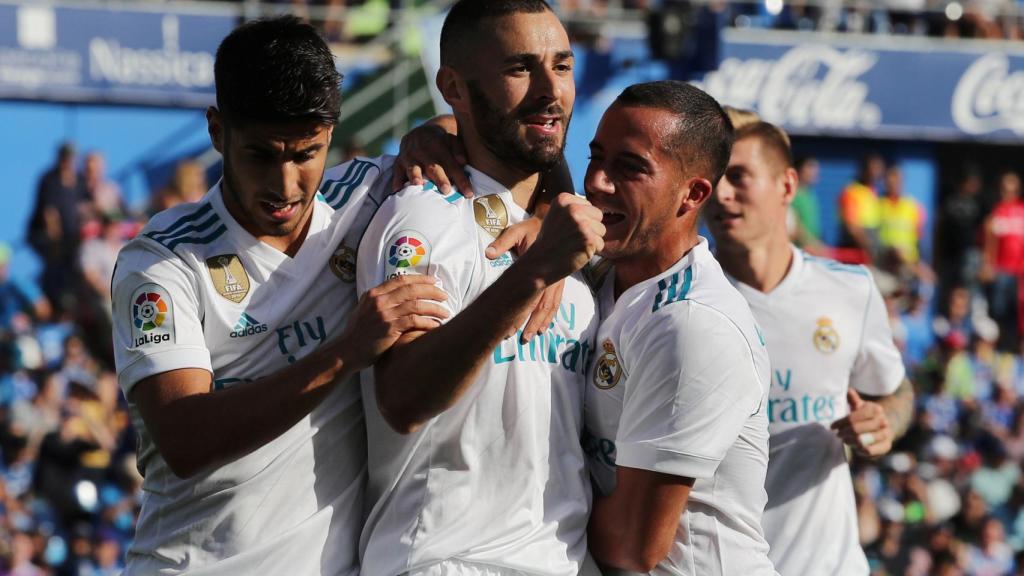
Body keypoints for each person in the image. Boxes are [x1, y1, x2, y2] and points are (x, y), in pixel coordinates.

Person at [110, 17, 452, 575]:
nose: (286, 185)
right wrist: (345, 352)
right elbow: (185, 437)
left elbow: (502, 142)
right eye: (261, 155)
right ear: (217, 131)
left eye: (306, 153)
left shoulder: (365, 198)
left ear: (332, 132)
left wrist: (542, 211)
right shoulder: (163, 261)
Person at [355, 1, 603, 574]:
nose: (550, 90)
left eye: (562, 66)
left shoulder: (574, 228)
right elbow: (403, 399)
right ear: (453, 88)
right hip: (448, 559)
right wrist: (533, 275)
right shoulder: (423, 217)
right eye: (519, 68)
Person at [579, 81, 775, 575]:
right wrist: (435, 137)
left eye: (630, 167)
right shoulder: (600, 275)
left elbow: (634, 545)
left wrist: (510, 504)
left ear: (693, 194)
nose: (598, 182)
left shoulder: (692, 324)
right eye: (596, 157)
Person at [705, 119, 914, 575]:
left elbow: (895, 391)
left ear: (787, 185)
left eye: (737, 177)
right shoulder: (683, 301)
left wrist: (883, 423)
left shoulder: (851, 289)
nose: (720, 194)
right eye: (712, 178)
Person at [27, 142, 87, 313]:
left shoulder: (79, 179)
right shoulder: (49, 179)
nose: (67, 161)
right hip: (46, 236)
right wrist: (56, 239)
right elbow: (49, 212)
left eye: (71, 157)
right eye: (65, 157)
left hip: (71, 237)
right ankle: (52, 302)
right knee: (55, 264)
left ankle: (69, 303)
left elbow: (85, 205)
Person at [980, 170, 1024, 353]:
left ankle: (1016, 351)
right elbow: (989, 243)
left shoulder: (1022, 211)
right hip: (1001, 271)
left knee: (1018, 315)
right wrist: (988, 264)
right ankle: (999, 350)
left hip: (1020, 273)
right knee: (999, 312)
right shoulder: (996, 212)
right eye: (1006, 189)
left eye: (1013, 190)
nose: (1009, 193)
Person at [838, 152, 885, 262]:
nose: (875, 173)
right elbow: (852, 227)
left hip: (870, 249)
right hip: (856, 251)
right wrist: (869, 248)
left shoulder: (874, 192)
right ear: (864, 169)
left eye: (878, 168)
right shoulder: (851, 191)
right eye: (872, 168)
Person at [878, 165, 926, 269]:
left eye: (897, 180)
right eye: (890, 181)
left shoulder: (913, 206)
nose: (894, 184)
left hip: (910, 263)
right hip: (885, 262)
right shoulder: (877, 204)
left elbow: (919, 238)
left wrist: (919, 264)